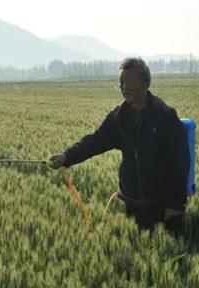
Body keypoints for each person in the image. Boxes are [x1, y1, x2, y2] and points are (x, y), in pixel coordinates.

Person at [48, 57, 190, 235]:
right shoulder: (118, 118)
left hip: (161, 205)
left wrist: (176, 205)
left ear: (146, 83)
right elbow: (94, 141)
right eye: (121, 82)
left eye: (129, 81)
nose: (124, 87)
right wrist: (67, 157)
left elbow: (180, 163)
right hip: (131, 203)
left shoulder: (165, 116)